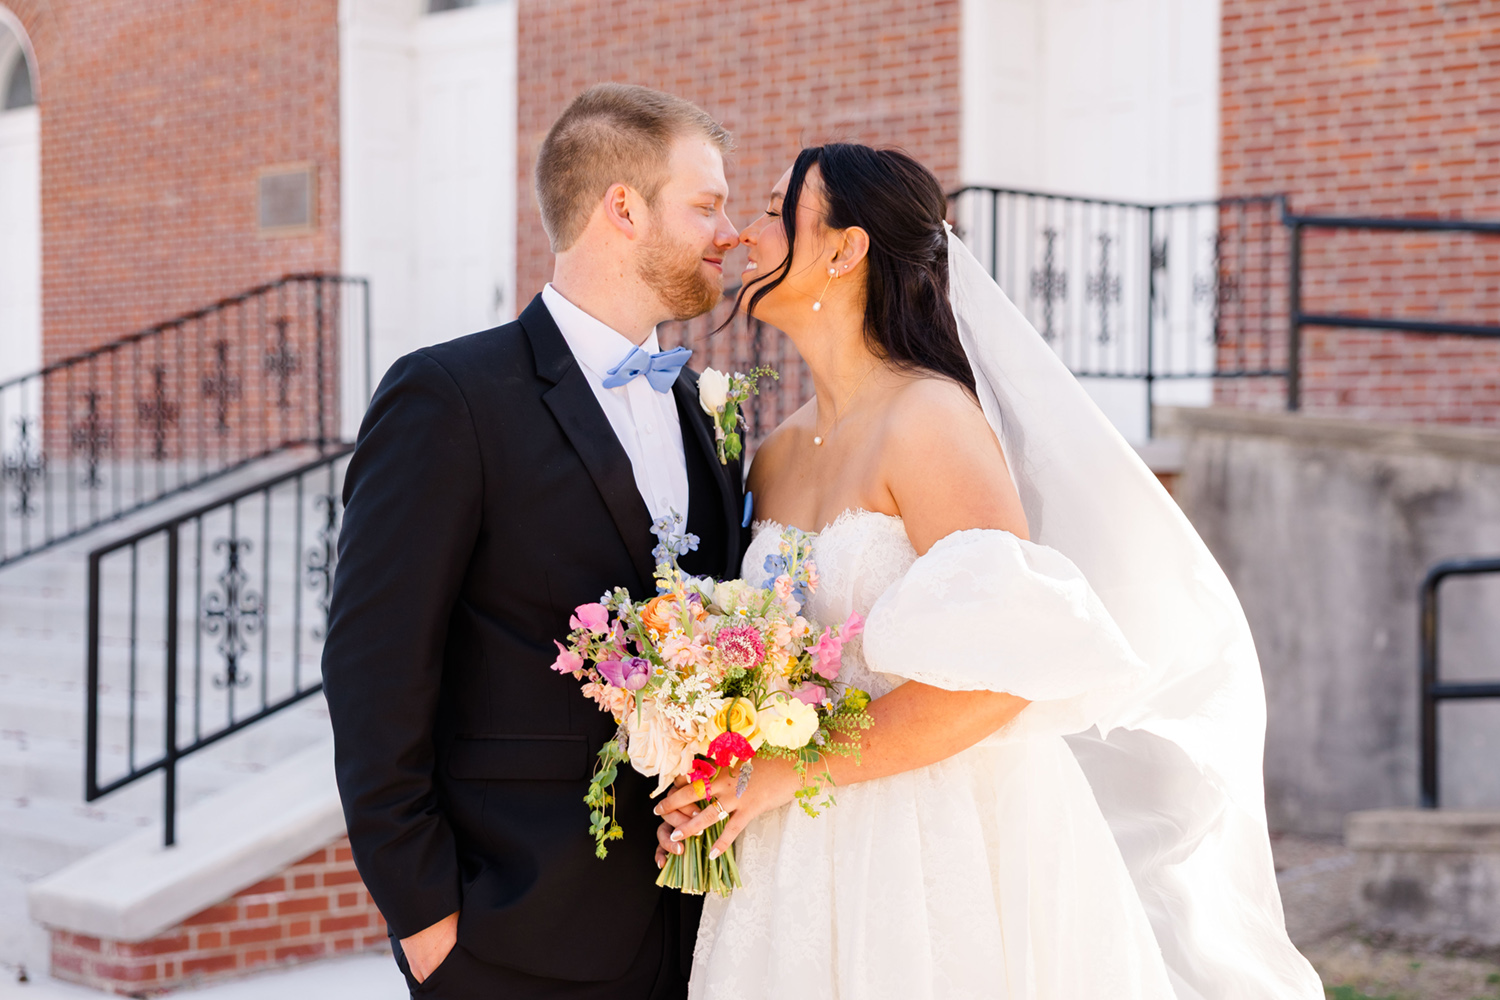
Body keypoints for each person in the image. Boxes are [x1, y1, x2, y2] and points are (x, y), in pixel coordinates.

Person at [653, 144, 1324, 999]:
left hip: (931, 841)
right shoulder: (775, 452)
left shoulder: (929, 421)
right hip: (794, 847)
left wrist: (792, 769)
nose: (747, 234)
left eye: (775, 209)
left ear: (844, 248)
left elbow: (1001, 682)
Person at [321, 83, 742, 999]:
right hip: (513, 937)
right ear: (622, 208)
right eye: (706, 205)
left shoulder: (697, 406)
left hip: (696, 931)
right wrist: (428, 924)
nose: (731, 232)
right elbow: (373, 673)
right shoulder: (450, 398)